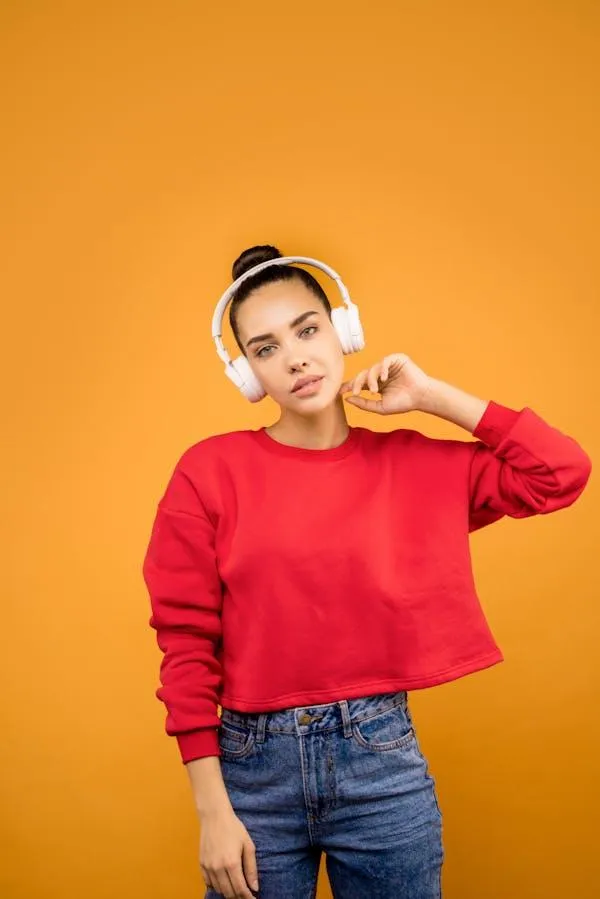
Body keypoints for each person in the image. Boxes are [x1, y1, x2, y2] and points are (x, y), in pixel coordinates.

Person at [142, 245, 591, 899]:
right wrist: (212, 807)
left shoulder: (416, 465)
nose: (295, 356)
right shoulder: (208, 473)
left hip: (380, 762)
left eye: (307, 329)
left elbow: (560, 473)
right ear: (248, 373)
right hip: (250, 774)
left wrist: (432, 396)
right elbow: (184, 645)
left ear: (342, 330)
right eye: (265, 348)